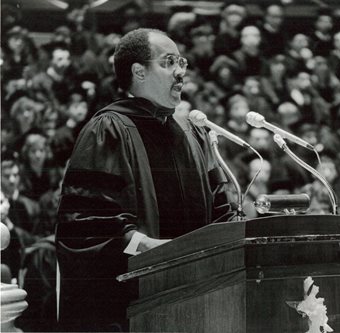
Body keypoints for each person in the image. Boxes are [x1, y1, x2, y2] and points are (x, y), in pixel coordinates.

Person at [55, 28, 231, 332]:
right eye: (169, 62)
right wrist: (169, 252)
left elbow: (221, 215)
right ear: (138, 71)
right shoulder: (109, 129)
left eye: (182, 62)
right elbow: (89, 229)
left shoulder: (193, 134)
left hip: (196, 300)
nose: (180, 73)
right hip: (135, 308)